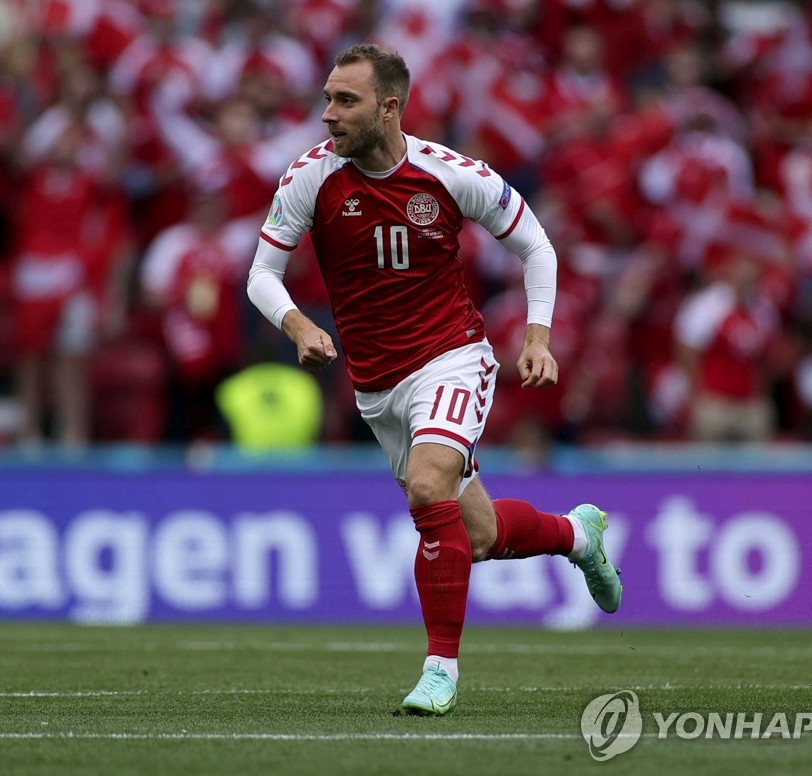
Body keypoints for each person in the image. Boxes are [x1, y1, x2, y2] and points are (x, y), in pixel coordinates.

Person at [246, 43, 622, 716]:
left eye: (346, 101)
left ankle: (439, 672)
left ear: (390, 108)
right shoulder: (308, 177)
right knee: (473, 536)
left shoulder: (450, 174)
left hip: (452, 356)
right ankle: (577, 536)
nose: (328, 113)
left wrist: (536, 338)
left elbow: (535, 244)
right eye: (328, 97)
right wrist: (300, 327)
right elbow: (261, 276)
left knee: (427, 488)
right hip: (376, 386)